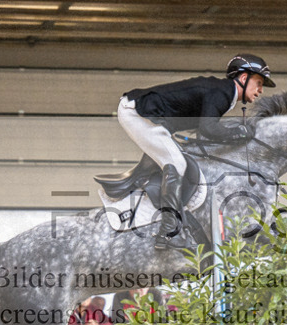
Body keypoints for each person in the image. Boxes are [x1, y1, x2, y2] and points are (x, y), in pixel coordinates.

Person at [117, 54, 275, 249]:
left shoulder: (224, 93)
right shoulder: (222, 93)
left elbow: (205, 132)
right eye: (259, 83)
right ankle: (168, 231)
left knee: (175, 157)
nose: (260, 91)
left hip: (148, 116)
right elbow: (209, 129)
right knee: (177, 164)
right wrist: (238, 132)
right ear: (243, 79)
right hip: (137, 113)